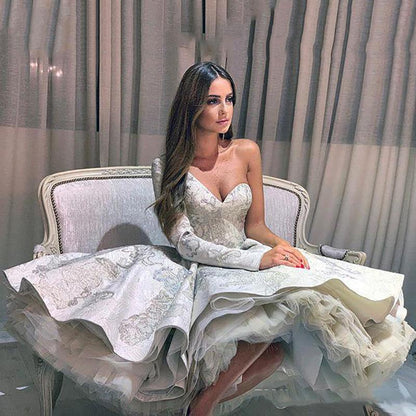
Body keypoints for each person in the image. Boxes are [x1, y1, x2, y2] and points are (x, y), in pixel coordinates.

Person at [2, 61, 415, 416]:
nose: (224, 110)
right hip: (199, 266)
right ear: (191, 106)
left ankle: (201, 405)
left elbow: (255, 226)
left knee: (303, 299)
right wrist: (257, 261)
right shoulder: (168, 166)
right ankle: (201, 407)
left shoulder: (247, 151)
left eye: (229, 99)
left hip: (246, 251)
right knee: (262, 316)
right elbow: (184, 242)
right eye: (213, 100)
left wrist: (280, 247)